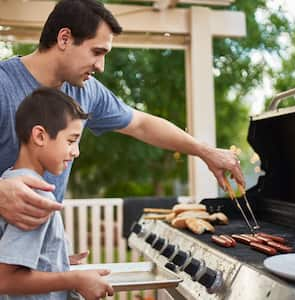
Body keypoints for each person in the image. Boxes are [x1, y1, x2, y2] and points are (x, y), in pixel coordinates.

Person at [0, 0, 244, 228]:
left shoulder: (86, 91)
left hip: (35, 256)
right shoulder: (3, 85)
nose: (100, 66)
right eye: (97, 52)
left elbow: (141, 124)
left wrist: (205, 151)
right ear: (64, 39)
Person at [0, 87, 113, 299]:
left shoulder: (9, 181)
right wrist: (75, 279)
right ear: (40, 136)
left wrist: (57, 260)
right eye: (71, 140)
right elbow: (5, 279)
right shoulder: (35, 196)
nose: (76, 152)